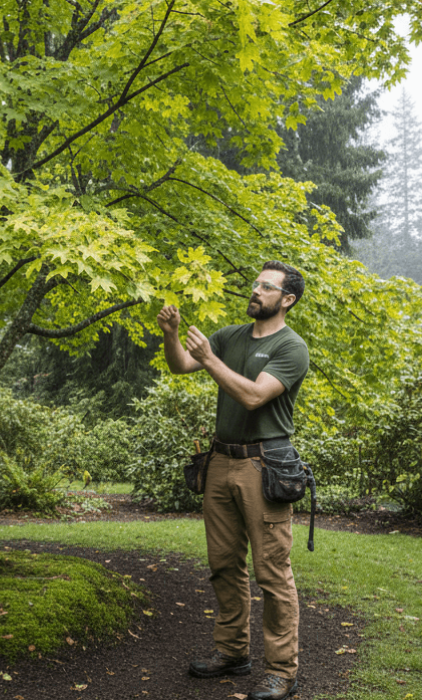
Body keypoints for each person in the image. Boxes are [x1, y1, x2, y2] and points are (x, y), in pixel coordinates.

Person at [157, 260, 309, 700]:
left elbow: (253, 395)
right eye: (256, 284)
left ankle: (281, 670)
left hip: (265, 465)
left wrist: (209, 359)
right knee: (223, 564)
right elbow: (181, 366)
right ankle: (232, 653)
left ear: (287, 299)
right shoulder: (231, 335)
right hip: (220, 461)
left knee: (272, 572)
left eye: (267, 286)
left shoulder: (292, 347)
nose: (256, 290)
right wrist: (172, 334)